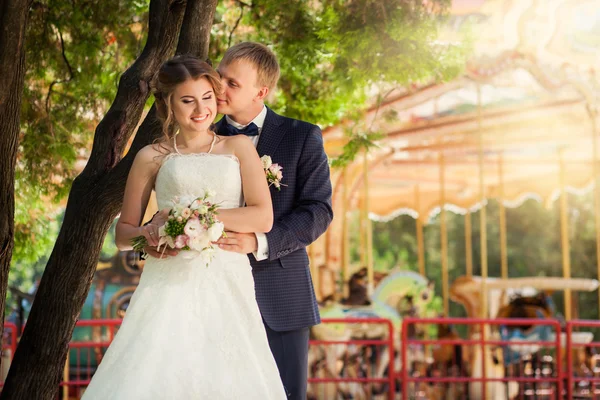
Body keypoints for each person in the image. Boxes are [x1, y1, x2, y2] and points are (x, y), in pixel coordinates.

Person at [81, 55, 287, 399]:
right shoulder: (151, 156)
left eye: (207, 97)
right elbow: (123, 235)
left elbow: (262, 216)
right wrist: (150, 236)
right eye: (187, 100)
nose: (200, 109)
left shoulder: (237, 148)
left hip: (226, 278)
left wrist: (195, 218)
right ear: (167, 104)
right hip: (166, 282)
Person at [145, 42, 334, 400]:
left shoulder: (302, 136)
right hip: (207, 290)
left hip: (280, 294)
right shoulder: (197, 136)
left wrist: (260, 242)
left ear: (261, 92)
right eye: (220, 78)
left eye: (233, 83)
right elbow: (171, 201)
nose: (219, 89)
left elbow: (318, 210)